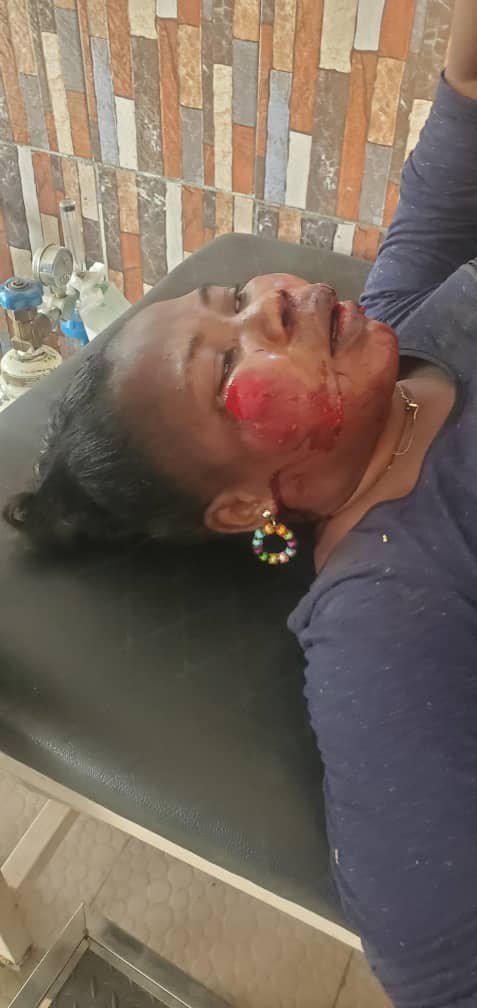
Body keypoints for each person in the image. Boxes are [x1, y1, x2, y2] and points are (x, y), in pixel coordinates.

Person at [4, 3, 477, 1004]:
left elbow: (464, 114)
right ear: (240, 508)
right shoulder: (389, 613)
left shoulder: (396, 331)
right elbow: (442, 968)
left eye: (232, 301)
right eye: (226, 364)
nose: (274, 301)